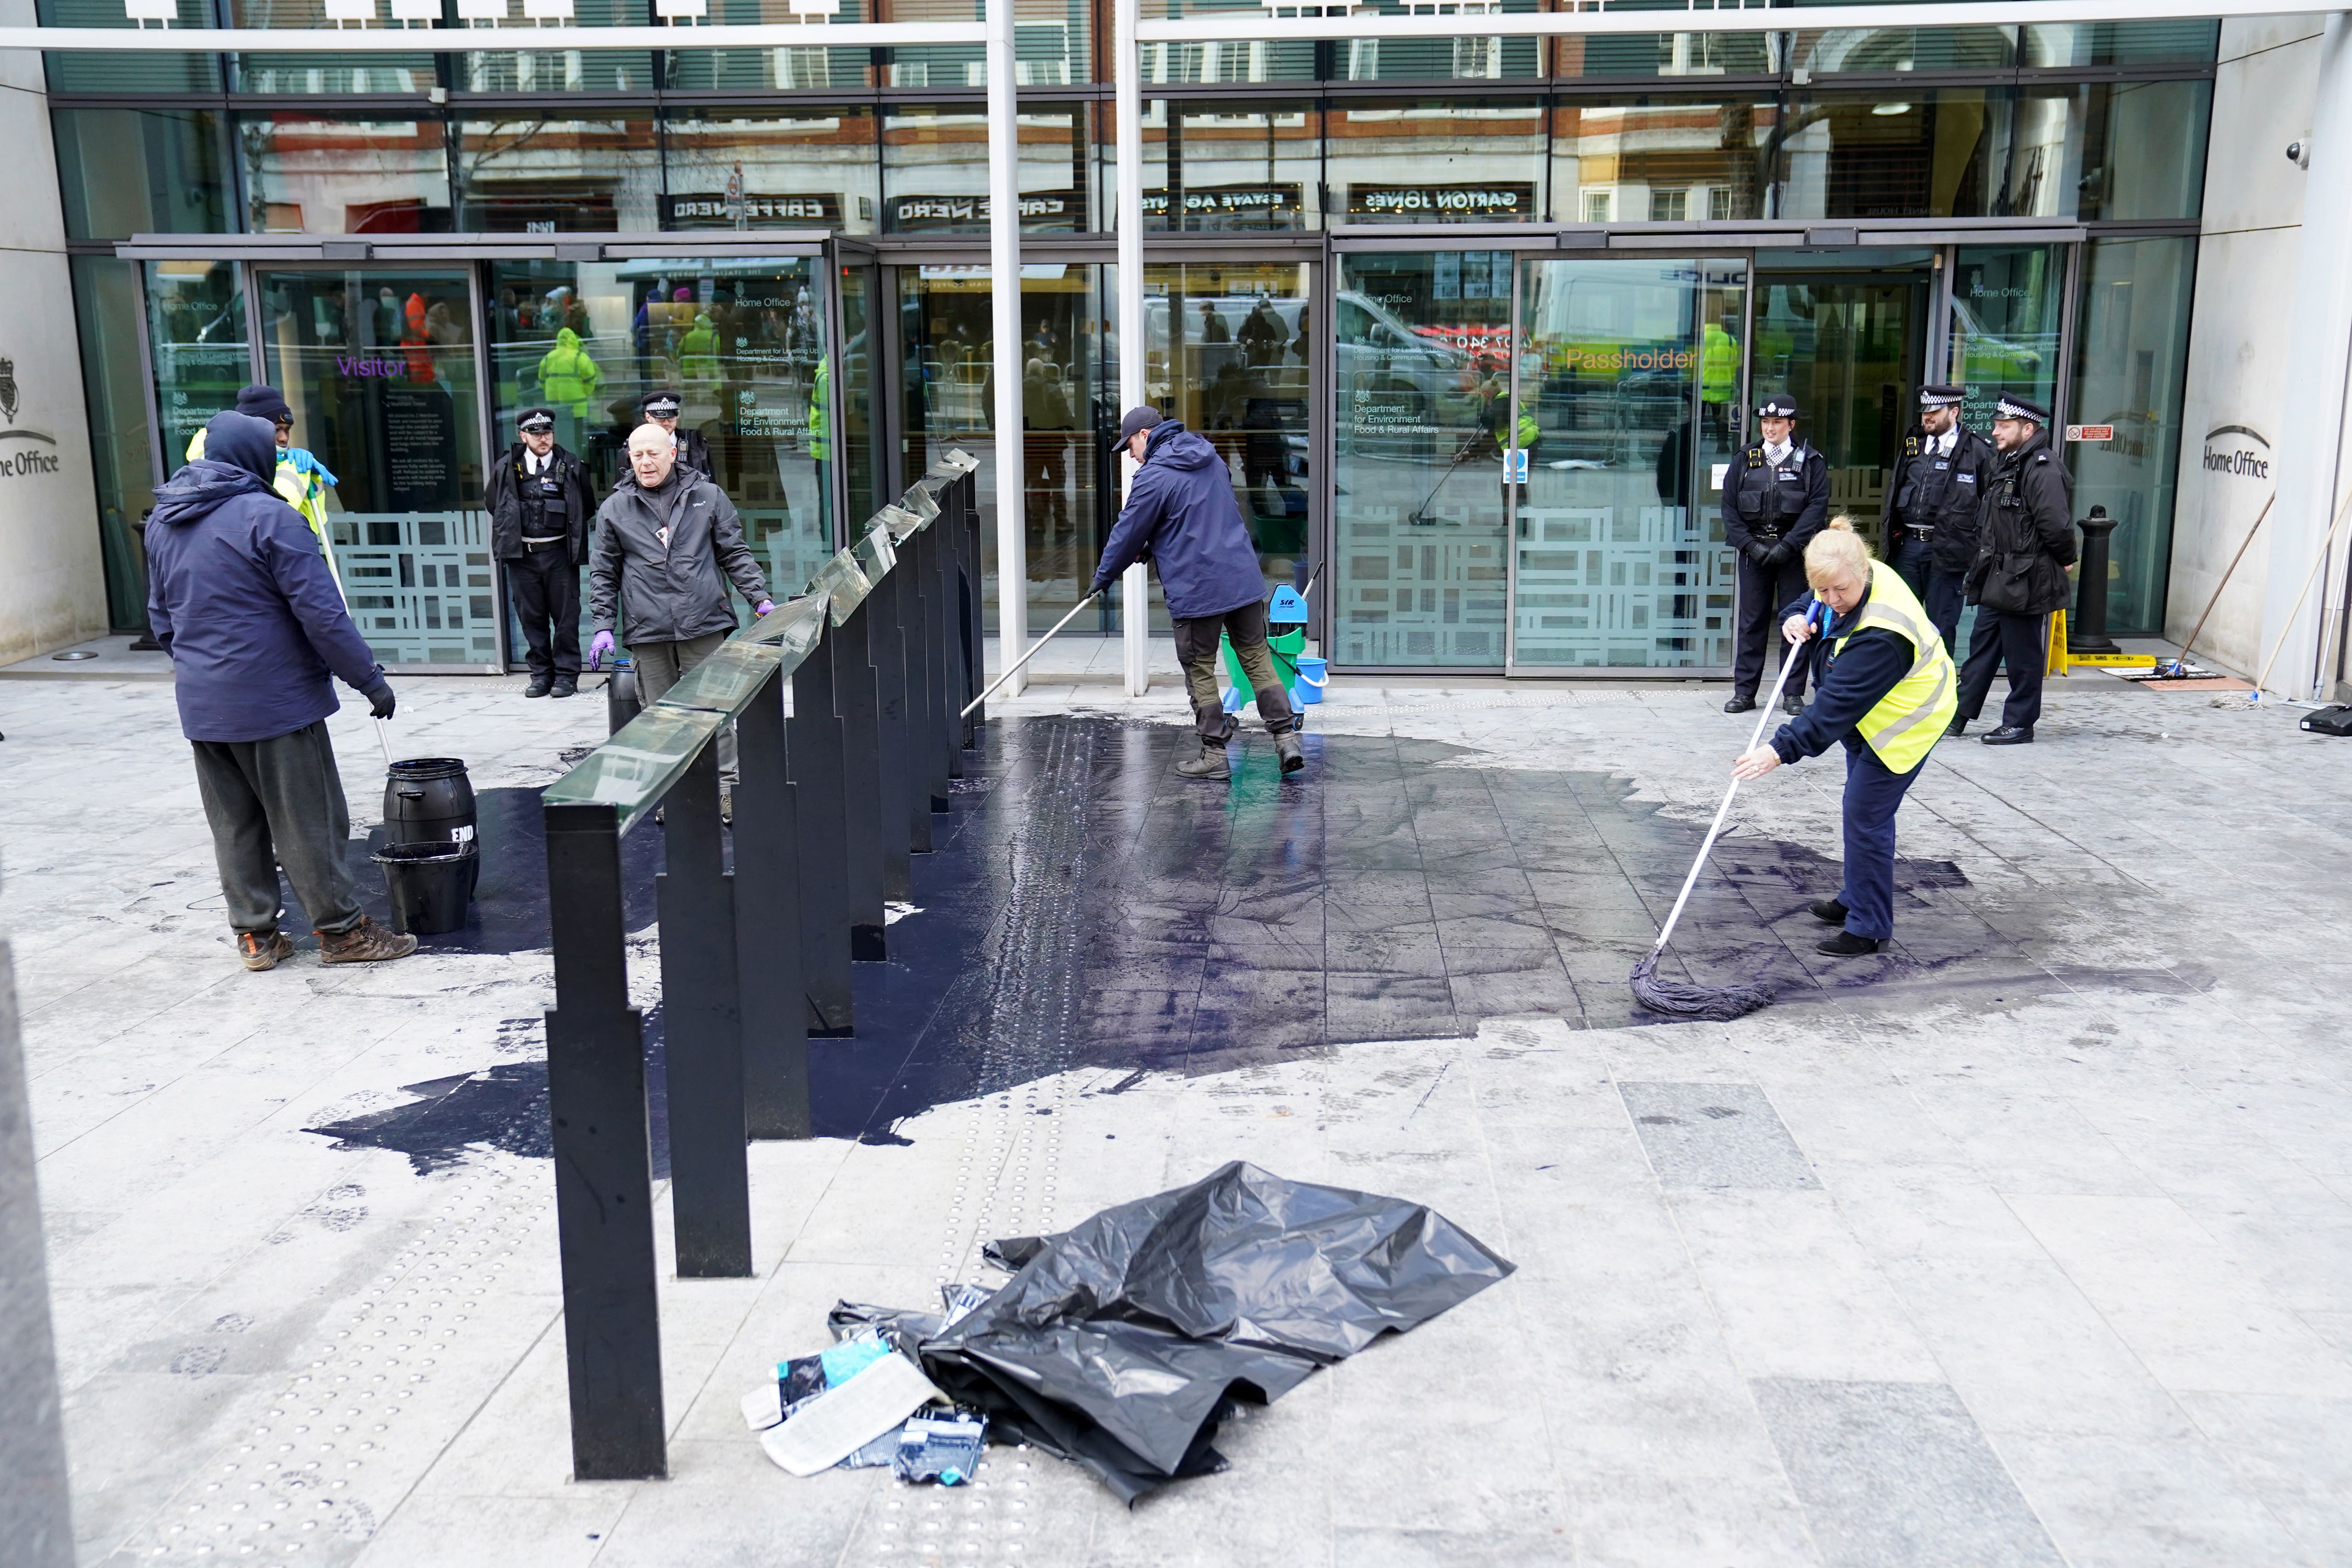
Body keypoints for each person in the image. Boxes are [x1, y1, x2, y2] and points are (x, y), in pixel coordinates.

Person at [144, 412, 416, 972]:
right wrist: (369, 679)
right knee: (308, 821)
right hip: (276, 705)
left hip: (203, 706)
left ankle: (256, 937)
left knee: (235, 824)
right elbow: (323, 617)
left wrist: (206, 673)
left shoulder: (164, 520)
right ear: (254, 458)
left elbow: (162, 621)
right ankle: (342, 933)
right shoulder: (271, 518)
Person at [1731, 517, 1957, 956]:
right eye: (1824, 591)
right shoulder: (1853, 575)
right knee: (1861, 809)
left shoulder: (1882, 637)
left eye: (1841, 592)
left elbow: (1834, 707)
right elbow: (1806, 600)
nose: (1832, 601)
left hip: (1908, 718)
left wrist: (1779, 750)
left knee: (1865, 814)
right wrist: (1796, 616)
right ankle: (1858, 897)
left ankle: (1869, 926)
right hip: (1872, 712)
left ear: (1863, 571)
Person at [1091, 406, 1303, 781]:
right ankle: (1286, 739)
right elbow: (1195, 516)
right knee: (1256, 658)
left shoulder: (1153, 476)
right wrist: (1155, 546)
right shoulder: (1209, 455)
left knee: (1200, 668)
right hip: (1241, 578)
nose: (1130, 455)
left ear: (1145, 435)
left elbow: (1127, 532)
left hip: (1198, 588)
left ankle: (1214, 754)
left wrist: (1103, 578)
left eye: (1130, 446)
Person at [587, 423, 774, 802]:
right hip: (648, 631)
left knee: (713, 713)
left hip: (703, 623)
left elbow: (734, 554)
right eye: (637, 455)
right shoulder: (614, 508)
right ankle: (673, 797)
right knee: (660, 720)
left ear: (672, 453)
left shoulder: (707, 496)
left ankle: (724, 790)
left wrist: (759, 599)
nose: (645, 462)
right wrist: (603, 625)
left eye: (653, 453)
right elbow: (604, 572)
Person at [1954, 393, 2077, 745]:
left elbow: (2056, 525)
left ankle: (2020, 723)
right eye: (1995, 425)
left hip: (2025, 578)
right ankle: (1959, 715)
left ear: (2027, 428)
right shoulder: (2008, 462)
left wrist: (2064, 557)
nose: (1995, 432)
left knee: (2023, 655)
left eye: (2003, 426)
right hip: (1998, 573)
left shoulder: (2042, 467)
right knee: (1982, 646)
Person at [1722, 393, 1830, 715]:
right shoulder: (1745, 458)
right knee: (1751, 622)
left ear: (1791, 425)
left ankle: (1792, 693)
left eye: (1777, 422)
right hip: (1753, 551)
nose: (1770, 428)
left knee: (1796, 622)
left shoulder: (1811, 461)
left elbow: (1817, 507)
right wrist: (1750, 545)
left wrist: (1789, 545)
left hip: (1793, 553)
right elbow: (1729, 507)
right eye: (1766, 422)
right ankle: (1745, 692)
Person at [186, 385, 348, 597]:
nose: (283, 438)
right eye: (276, 429)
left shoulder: (291, 466)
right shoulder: (208, 467)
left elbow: (307, 525)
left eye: (287, 430)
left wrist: (311, 478)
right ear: (252, 430)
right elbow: (271, 519)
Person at [1880, 383, 1996, 661]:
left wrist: (1977, 550)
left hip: (1947, 551)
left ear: (1954, 412)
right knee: (1900, 623)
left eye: (1935, 412)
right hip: (1907, 547)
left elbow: (1989, 507)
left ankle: (1939, 690)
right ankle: (1899, 684)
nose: (1927, 418)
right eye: (1924, 413)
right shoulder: (1913, 446)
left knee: (1941, 625)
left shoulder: (1977, 451)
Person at [486, 406, 596, 699]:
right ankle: (541, 676)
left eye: (547, 433)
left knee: (565, 618)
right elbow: (492, 503)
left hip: (559, 554)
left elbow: (587, 505)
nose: (543, 439)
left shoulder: (571, 466)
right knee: (531, 618)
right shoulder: (507, 466)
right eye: (536, 434)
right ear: (523, 436)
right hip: (522, 555)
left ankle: (566, 677)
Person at [640, 390, 712, 478]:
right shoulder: (635, 447)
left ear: (677, 416)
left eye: (671, 417)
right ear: (648, 417)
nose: (666, 423)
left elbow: (710, 482)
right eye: (660, 418)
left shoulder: (696, 444)